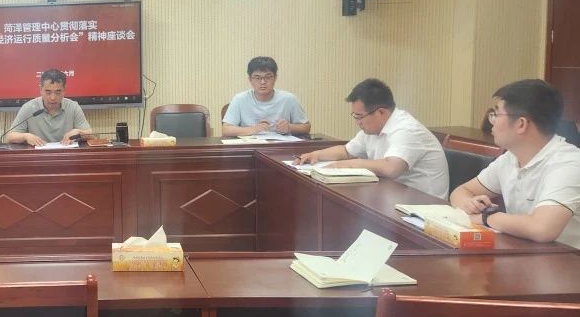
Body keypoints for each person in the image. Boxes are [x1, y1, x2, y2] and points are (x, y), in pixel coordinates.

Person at [450, 79, 580, 247]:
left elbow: (542, 229)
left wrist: (487, 217)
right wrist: (470, 205)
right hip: (526, 252)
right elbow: (461, 191)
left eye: (496, 115)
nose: (491, 122)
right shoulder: (510, 158)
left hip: (567, 259)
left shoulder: (569, 164)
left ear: (521, 124)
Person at [295, 78, 448, 198]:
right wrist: (316, 155)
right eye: (355, 116)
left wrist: (350, 165)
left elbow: (391, 168)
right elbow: (346, 151)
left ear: (381, 112)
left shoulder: (407, 129)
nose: (357, 122)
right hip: (394, 197)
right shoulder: (372, 129)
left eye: (360, 116)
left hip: (423, 209)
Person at [221, 57, 311, 137]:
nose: (263, 82)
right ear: (250, 79)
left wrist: (290, 127)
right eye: (257, 78)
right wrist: (254, 129)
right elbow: (226, 130)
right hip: (250, 148)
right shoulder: (240, 99)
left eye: (268, 77)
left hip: (280, 148)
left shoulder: (289, 99)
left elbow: (306, 127)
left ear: (275, 78)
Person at [7, 69, 92, 146]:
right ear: (41, 89)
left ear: (64, 90)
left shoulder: (73, 106)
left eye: (58, 92)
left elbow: (90, 135)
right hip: (38, 156)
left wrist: (79, 132)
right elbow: (9, 137)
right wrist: (25, 136)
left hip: (66, 155)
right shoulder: (29, 107)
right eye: (48, 92)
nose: (53, 97)